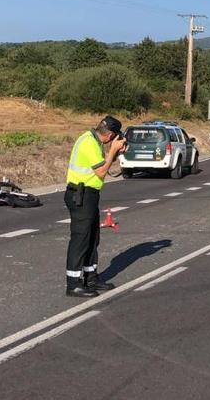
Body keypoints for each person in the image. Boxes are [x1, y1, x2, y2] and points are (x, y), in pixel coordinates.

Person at [63, 116, 126, 298]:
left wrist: (115, 153)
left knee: (92, 238)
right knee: (80, 239)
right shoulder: (89, 143)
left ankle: (90, 277)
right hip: (80, 195)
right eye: (115, 138)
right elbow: (101, 171)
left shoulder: (93, 139)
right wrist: (113, 150)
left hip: (89, 195)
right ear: (111, 135)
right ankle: (73, 283)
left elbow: (101, 165)